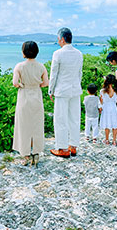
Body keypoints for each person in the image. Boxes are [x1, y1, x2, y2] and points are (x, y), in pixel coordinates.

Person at [12, 41, 49, 167]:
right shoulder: (41, 66)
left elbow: (15, 83)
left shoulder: (19, 66)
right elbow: (45, 83)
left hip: (24, 97)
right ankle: (36, 153)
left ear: (24, 52)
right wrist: (36, 84)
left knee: (24, 126)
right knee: (36, 126)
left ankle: (25, 155)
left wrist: (23, 85)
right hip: (36, 97)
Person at [48, 28, 83, 158]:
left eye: (58, 39)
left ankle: (62, 148)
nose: (58, 42)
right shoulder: (79, 53)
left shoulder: (57, 54)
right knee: (74, 118)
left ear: (62, 39)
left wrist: (51, 90)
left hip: (62, 91)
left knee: (60, 119)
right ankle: (73, 146)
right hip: (75, 89)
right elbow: (80, 73)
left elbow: (54, 74)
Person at [99, 74, 117, 146]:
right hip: (113, 108)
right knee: (115, 124)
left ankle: (107, 139)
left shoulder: (102, 91)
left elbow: (101, 101)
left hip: (106, 108)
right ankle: (114, 141)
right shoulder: (116, 91)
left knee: (107, 124)